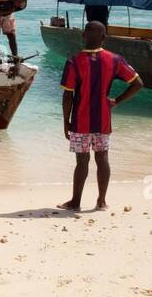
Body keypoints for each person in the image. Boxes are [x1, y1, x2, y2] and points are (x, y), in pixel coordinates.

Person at [58, 21, 144, 211]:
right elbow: (138, 83)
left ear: (83, 35)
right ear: (104, 38)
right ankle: (101, 201)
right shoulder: (115, 59)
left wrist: (66, 120)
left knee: (82, 161)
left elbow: (68, 95)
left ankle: (75, 202)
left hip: (81, 120)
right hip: (103, 119)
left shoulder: (74, 61)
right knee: (102, 158)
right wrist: (117, 101)